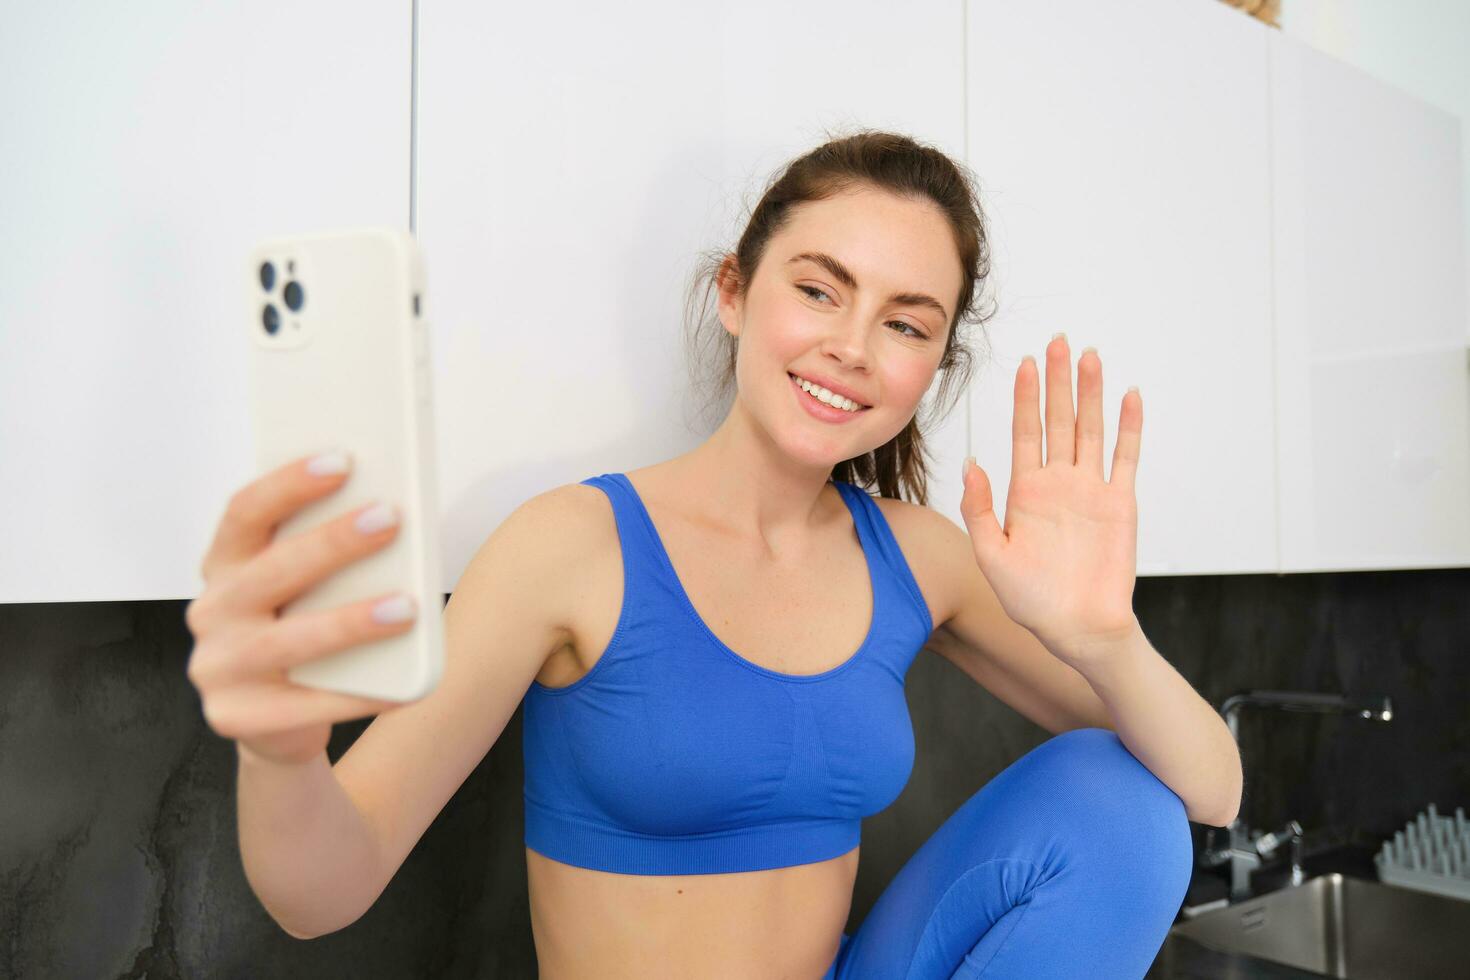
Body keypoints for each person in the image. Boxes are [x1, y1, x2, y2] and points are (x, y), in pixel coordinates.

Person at [186, 131, 1228, 978]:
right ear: (735, 291)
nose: (853, 346)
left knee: (1122, 798)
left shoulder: (921, 556)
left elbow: (1209, 788)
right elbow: (323, 888)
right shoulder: (573, 547)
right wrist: (279, 753)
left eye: (905, 324)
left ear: (932, 366)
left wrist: (1107, 638)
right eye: (820, 290)